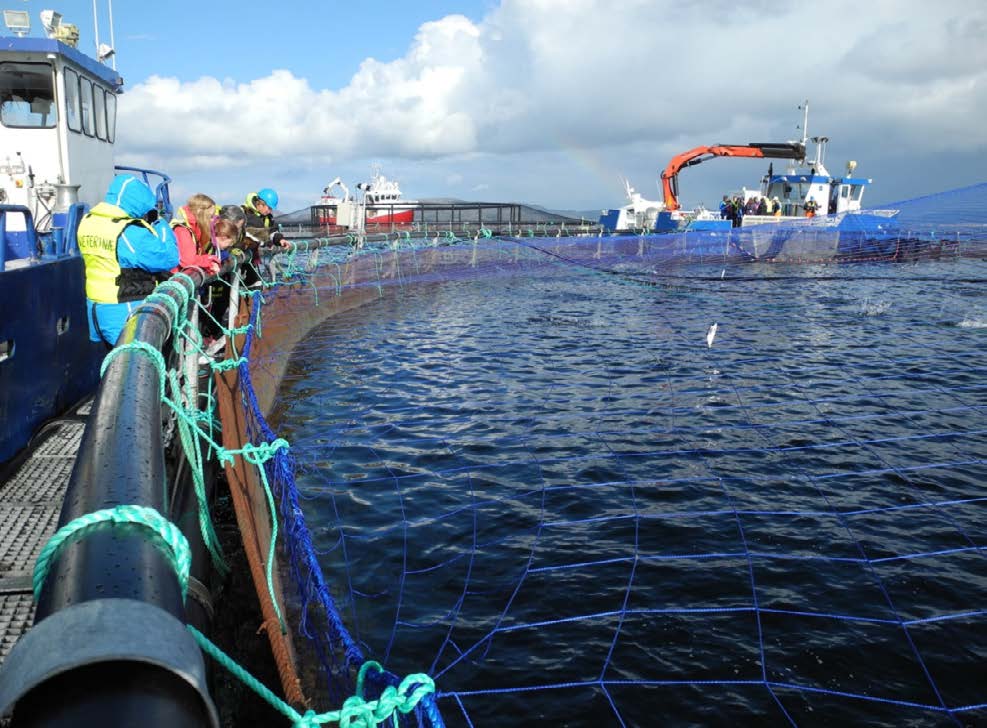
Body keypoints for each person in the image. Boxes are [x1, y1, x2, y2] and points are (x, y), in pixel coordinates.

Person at [77, 174, 179, 347]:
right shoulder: (127, 231)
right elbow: (169, 258)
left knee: (113, 363)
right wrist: (160, 223)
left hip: (96, 307)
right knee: (134, 365)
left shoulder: (88, 221)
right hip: (123, 309)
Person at [171, 193, 221, 275]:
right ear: (201, 214)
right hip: (173, 280)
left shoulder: (195, 230)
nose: (212, 220)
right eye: (210, 216)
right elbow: (188, 261)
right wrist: (210, 260)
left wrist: (210, 265)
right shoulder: (182, 230)